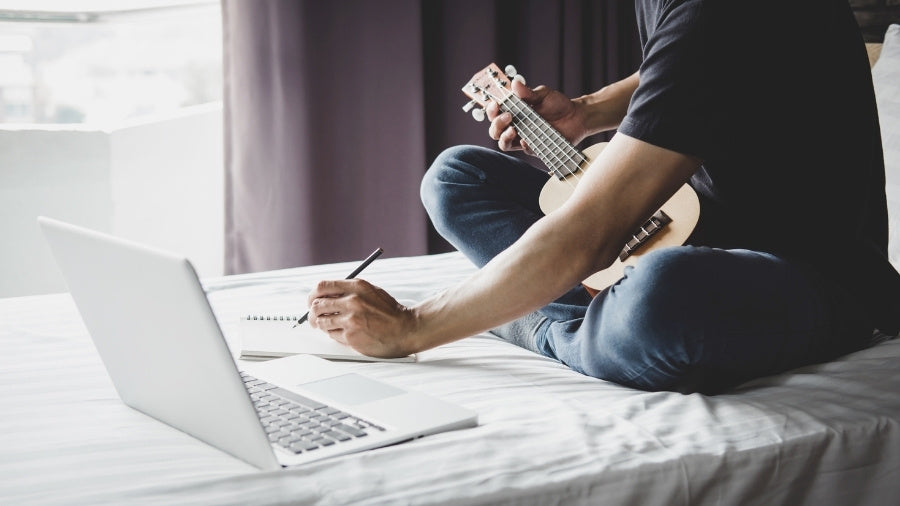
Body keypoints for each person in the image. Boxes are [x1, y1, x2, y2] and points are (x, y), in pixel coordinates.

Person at [307, 0, 900, 394]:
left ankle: (541, 324)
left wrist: (414, 326)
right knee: (456, 176)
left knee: (659, 296)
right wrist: (585, 112)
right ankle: (581, 318)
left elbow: (591, 233)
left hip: (816, 273)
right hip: (704, 217)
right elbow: (689, 72)